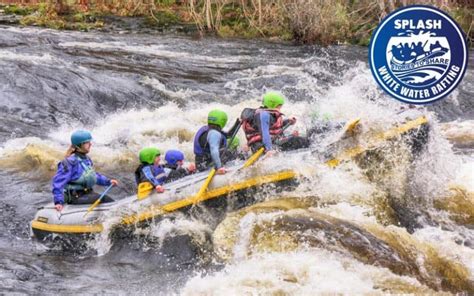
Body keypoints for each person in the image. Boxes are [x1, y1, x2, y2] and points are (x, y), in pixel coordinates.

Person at [52, 130, 118, 212]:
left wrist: (108, 181)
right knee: (106, 199)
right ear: (79, 145)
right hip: (76, 197)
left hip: (88, 193)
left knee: (106, 199)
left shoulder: (86, 159)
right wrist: (58, 202)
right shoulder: (69, 162)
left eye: (89, 142)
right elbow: (58, 183)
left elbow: (92, 176)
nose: (90, 144)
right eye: (87, 142)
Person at [241, 91, 310, 153]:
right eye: (279, 106)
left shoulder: (267, 114)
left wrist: (288, 121)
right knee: (297, 140)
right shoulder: (263, 115)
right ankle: (312, 145)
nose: (280, 108)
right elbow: (264, 133)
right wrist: (269, 150)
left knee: (294, 136)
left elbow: (272, 127)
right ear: (273, 105)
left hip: (269, 143)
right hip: (261, 147)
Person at [193, 109, 230, 174]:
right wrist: (219, 167)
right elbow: (214, 151)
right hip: (206, 164)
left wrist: (238, 123)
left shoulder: (207, 129)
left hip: (200, 162)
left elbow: (228, 135)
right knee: (229, 152)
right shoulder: (214, 133)